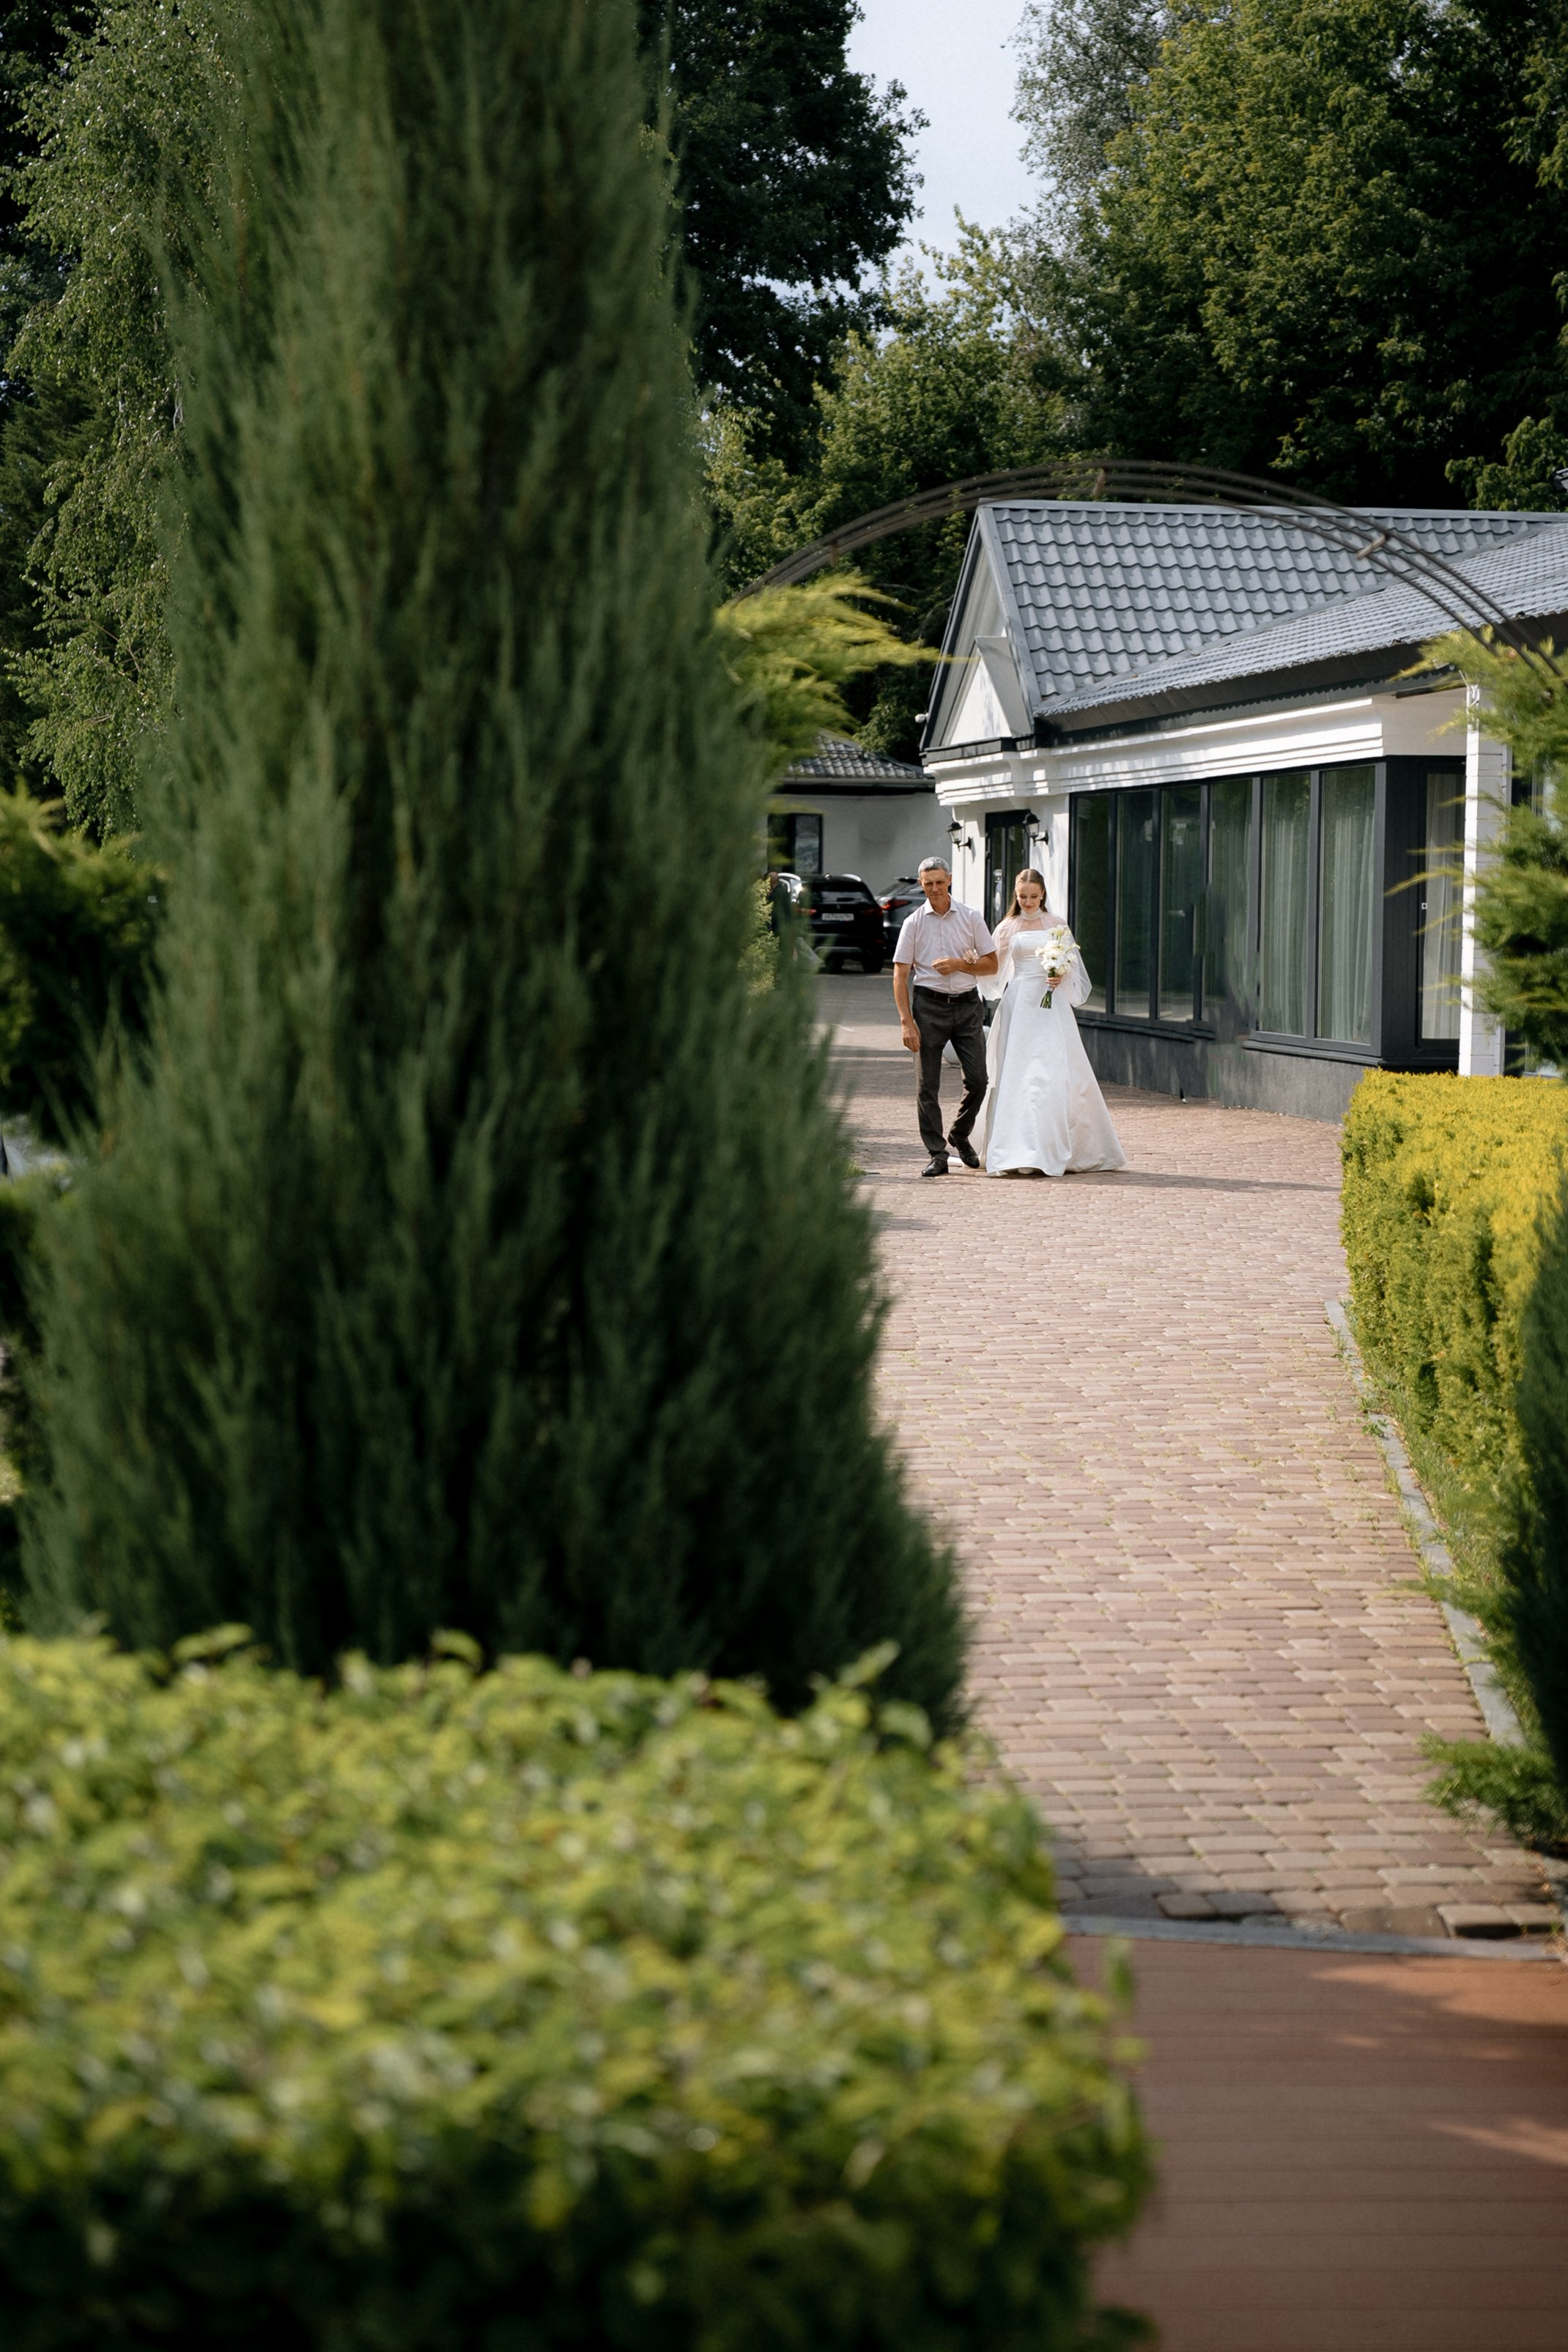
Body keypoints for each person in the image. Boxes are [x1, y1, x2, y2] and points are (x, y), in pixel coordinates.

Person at [978, 867, 1128, 1176]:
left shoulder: (1058, 925)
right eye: (1022, 897)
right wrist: (972, 962)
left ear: (1043, 894)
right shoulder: (1007, 927)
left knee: (1054, 1072)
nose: (1028, 902)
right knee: (1019, 1073)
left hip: (1051, 1004)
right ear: (1015, 896)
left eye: (1033, 896)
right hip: (1020, 1003)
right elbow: (995, 969)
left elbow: (1072, 966)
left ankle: (1057, 1147)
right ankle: (1017, 1150)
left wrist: (1061, 974)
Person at [892, 857, 998, 1177]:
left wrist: (960, 965)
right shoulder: (913, 923)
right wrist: (906, 1022)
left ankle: (959, 1134)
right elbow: (900, 976)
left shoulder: (970, 917)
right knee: (927, 1086)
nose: (935, 889)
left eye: (939, 882)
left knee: (979, 1080)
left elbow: (992, 965)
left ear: (949, 880)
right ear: (921, 884)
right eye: (928, 884)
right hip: (928, 1007)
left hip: (968, 1006)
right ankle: (937, 1153)